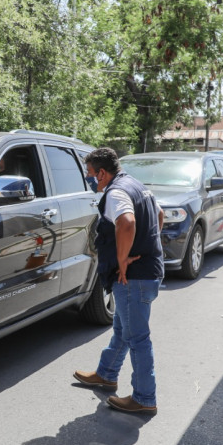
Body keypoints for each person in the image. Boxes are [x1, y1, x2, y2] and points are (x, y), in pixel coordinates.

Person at [73, 147, 164, 415]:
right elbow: (159, 216)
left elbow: (126, 223)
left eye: (90, 174)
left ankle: (145, 398)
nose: (90, 179)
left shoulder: (116, 192)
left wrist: (123, 259)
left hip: (134, 277)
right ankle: (107, 373)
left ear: (102, 173)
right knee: (123, 328)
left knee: (137, 338)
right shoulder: (135, 184)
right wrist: (147, 247)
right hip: (146, 272)